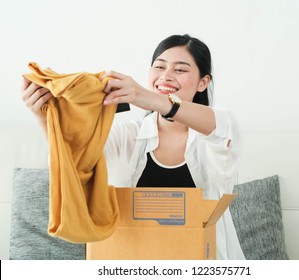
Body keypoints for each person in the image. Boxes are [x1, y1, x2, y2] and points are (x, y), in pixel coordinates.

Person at [21, 34, 245, 260]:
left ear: (203, 82)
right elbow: (75, 164)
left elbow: (222, 129)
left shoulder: (218, 127)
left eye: (180, 70)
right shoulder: (126, 135)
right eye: (159, 67)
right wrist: (44, 116)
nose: (166, 76)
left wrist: (147, 97)